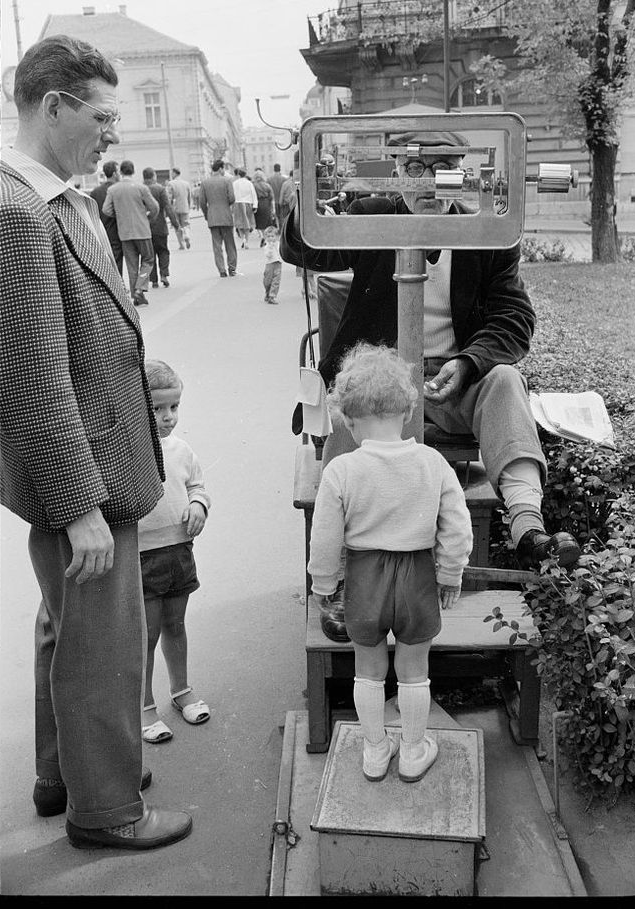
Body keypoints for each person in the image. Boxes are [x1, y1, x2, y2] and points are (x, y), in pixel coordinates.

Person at [0, 33, 191, 850]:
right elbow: (34, 378)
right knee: (101, 653)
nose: (114, 132)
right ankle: (109, 811)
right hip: (86, 476)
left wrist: (140, 369)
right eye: (104, 115)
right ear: (54, 107)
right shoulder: (17, 212)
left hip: (97, 454)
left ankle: (62, 774)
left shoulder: (61, 197)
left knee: (65, 629)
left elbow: (84, 335)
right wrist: (80, 506)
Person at [280, 129, 581, 574]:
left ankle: (528, 528)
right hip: (380, 381)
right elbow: (303, 249)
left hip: (453, 386)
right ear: (398, 174)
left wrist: (466, 363)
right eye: (416, 168)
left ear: (464, 174)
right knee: (354, 394)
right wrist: (310, 200)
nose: (428, 182)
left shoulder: (487, 233)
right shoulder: (373, 218)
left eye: (444, 169)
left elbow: (514, 319)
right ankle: (339, 556)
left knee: (505, 380)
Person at [308, 343, 473, 782]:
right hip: (417, 576)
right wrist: (451, 571)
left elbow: (324, 537)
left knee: (369, 669)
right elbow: (457, 526)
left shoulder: (341, 471)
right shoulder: (433, 463)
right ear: (406, 412)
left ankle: (376, 750)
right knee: (415, 671)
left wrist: (324, 584)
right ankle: (415, 750)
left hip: (365, 579)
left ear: (348, 418)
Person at [139, 360, 211, 745]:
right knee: (146, 635)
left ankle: (181, 689)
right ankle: (145, 706)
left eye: (174, 407)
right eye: (157, 408)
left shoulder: (182, 450)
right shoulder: (130, 451)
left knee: (176, 625)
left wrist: (199, 505)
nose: (168, 417)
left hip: (179, 551)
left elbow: (198, 485)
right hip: (142, 558)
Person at [102, 159, 158, 306]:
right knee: (147, 261)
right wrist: (148, 218)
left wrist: (120, 216)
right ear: (133, 171)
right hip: (142, 231)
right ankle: (140, 287)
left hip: (125, 233)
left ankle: (135, 295)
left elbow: (106, 209)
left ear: (120, 171)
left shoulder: (113, 189)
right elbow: (154, 207)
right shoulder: (141, 188)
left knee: (131, 265)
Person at [198, 158, 238, 277]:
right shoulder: (227, 181)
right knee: (230, 244)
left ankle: (221, 270)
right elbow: (232, 198)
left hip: (213, 218)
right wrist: (226, 205)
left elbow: (202, 202)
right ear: (221, 169)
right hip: (226, 216)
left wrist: (207, 214)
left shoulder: (205, 183)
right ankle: (232, 268)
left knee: (217, 246)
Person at [142, 167, 178, 288]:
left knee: (149, 254)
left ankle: (154, 280)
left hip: (146, 227)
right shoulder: (160, 189)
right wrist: (175, 224)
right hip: (160, 226)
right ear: (153, 176)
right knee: (163, 251)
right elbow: (168, 207)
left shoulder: (141, 189)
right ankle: (164, 274)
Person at [89, 160, 123, 277]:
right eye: (119, 171)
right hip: (117, 230)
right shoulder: (119, 190)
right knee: (118, 258)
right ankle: (119, 284)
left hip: (101, 230)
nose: (120, 174)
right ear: (114, 174)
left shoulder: (95, 192)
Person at [232, 167, 258, 249]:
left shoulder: (235, 183)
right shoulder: (249, 183)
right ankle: (246, 240)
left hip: (237, 203)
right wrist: (255, 205)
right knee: (248, 223)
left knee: (239, 223)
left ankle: (242, 238)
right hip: (248, 204)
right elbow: (253, 194)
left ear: (238, 174)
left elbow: (232, 194)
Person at [168, 167, 193, 250]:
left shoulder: (171, 184)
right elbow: (189, 197)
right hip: (185, 207)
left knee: (177, 226)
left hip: (175, 208)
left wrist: (169, 208)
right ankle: (187, 236)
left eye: (172, 173)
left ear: (175, 173)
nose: (171, 175)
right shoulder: (186, 183)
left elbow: (169, 198)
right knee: (186, 224)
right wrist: (188, 206)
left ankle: (181, 244)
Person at [253, 168, 276, 242]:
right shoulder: (267, 185)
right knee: (267, 222)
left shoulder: (253, 185)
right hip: (266, 204)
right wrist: (273, 209)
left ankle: (263, 235)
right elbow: (271, 197)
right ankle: (265, 237)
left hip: (258, 204)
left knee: (260, 222)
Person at [262, 224, 282, 304]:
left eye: (272, 236)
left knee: (276, 280)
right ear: (266, 238)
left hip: (278, 263)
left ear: (276, 237)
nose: (270, 238)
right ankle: (267, 292)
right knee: (267, 281)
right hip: (270, 264)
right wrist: (270, 248)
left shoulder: (279, 244)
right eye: (268, 236)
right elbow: (268, 255)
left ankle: (272, 296)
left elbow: (282, 252)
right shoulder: (267, 247)